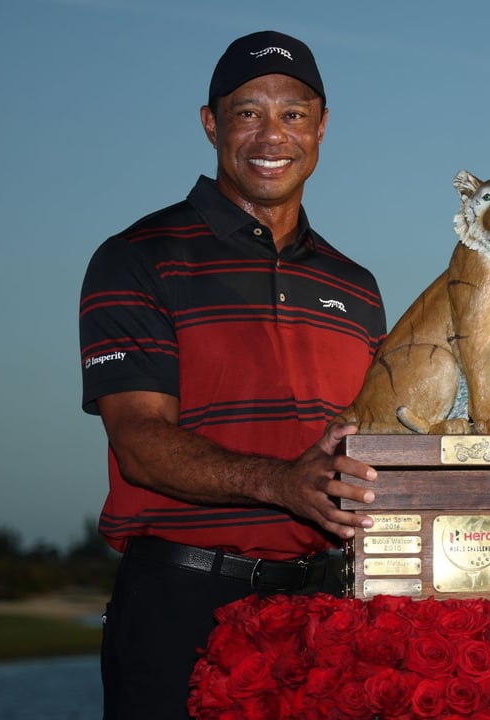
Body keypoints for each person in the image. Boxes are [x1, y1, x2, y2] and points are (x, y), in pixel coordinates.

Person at [78, 30, 387, 718]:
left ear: (322, 127)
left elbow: (376, 444)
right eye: (248, 112)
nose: (271, 134)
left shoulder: (356, 285)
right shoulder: (136, 257)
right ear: (211, 124)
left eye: (293, 113)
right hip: (180, 607)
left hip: (323, 607)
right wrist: (281, 483)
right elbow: (140, 442)